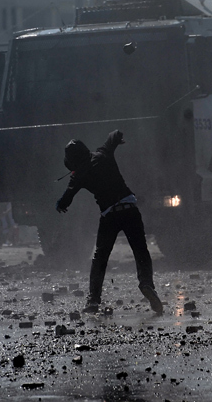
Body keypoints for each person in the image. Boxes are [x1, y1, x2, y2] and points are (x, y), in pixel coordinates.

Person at [56, 130, 163, 314]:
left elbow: (65, 200)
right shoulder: (103, 153)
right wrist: (118, 136)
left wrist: (60, 204)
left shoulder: (78, 175)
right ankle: (146, 284)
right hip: (130, 210)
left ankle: (93, 300)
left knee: (100, 258)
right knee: (140, 250)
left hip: (109, 216)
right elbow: (113, 135)